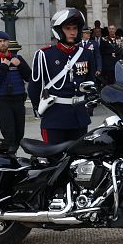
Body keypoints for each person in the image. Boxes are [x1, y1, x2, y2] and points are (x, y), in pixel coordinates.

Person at [28, 8, 96, 143]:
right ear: (59, 30)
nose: (72, 32)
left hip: (79, 117)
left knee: (79, 161)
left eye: (75, 28)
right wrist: (38, 108)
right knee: (55, 159)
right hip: (54, 118)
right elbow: (34, 88)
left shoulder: (86, 54)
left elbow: (91, 82)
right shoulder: (44, 55)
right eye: (68, 28)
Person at [0, 31, 31, 153]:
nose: (2, 43)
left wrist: (20, 65)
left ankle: (13, 153)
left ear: (8, 42)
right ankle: (11, 157)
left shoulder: (17, 58)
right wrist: (4, 66)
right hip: (2, 101)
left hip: (18, 100)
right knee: (9, 133)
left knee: (19, 132)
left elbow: (29, 77)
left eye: (4, 41)